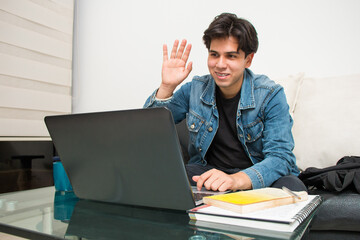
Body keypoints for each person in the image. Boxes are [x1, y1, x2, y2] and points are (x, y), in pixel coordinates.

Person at [144, 13, 306, 192]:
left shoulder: (271, 95)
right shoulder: (195, 89)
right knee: (160, 173)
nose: (220, 64)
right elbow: (148, 130)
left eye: (231, 56)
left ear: (248, 60)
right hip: (209, 173)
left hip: (255, 177)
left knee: (293, 186)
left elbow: (280, 157)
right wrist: (167, 87)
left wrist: (235, 180)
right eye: (214, 54)